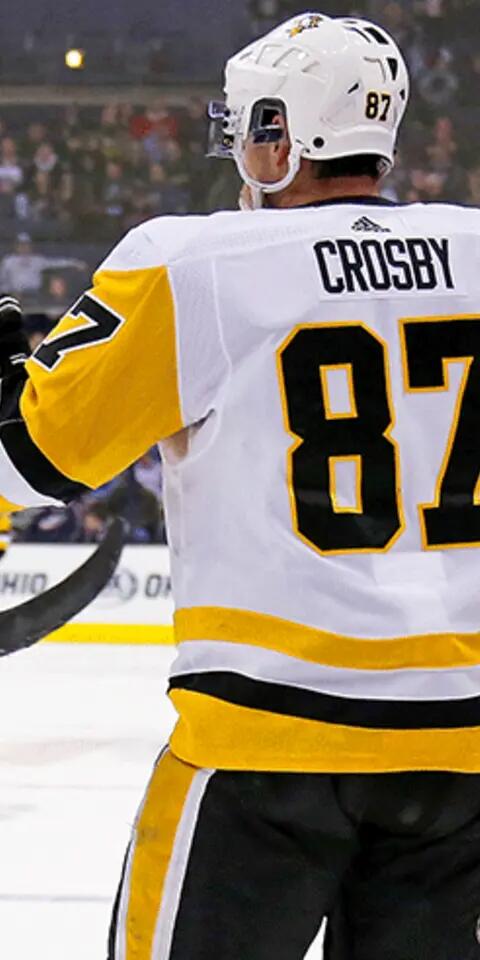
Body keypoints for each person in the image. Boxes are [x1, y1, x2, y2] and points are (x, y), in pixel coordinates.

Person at [0, 11, 479, 960]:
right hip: (463, 756)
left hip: (266, 741)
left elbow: (32, 464)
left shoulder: (194, 263)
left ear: (281, 132)